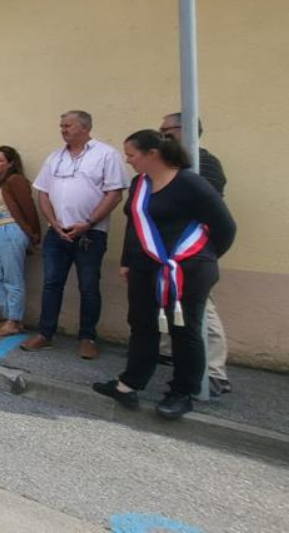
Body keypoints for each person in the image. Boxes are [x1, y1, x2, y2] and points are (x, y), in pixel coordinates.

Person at [92, 130, 236, 420]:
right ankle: (129, 384)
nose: (128, 160)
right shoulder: (139, 184)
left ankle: (181, 393)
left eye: (132, 155)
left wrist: (201, 257)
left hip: (188, 269)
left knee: (185, 329)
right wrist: (127, 260)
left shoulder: (189, 183)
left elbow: (225, 227)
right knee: (142, 325)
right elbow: (135, 224)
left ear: (152, 155)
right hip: (145, 266)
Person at [22, 110, 127, 359]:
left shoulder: (105, 155)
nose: (62, 129)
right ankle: (45, 333)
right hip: (57, 234)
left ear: (84, 128)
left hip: (91, 234)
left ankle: (87, 337)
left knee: (89, 286)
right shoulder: (55, 157)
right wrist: (53, 223)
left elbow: (114, 193)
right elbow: (43, 193)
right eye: (61, 125)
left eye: (67, 125)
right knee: (51, 284)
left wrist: (88, 223)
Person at [160, 113, 232, 395]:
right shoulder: (167, 164)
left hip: (193, 249)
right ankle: (168, 352)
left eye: (167, 130)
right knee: (167, 299)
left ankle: (214, 373)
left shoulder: (206, 163)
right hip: (165, 249)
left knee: (203, 308)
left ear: (185, 130)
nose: (162, 134)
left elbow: (209, 211)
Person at [0, 146, 41, 337]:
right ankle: (11, 317)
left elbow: (28, 208)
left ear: (11, 163)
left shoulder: (15, 180)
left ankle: (14, 320)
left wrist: (34, 233)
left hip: (11, 230)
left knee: (12, 277)